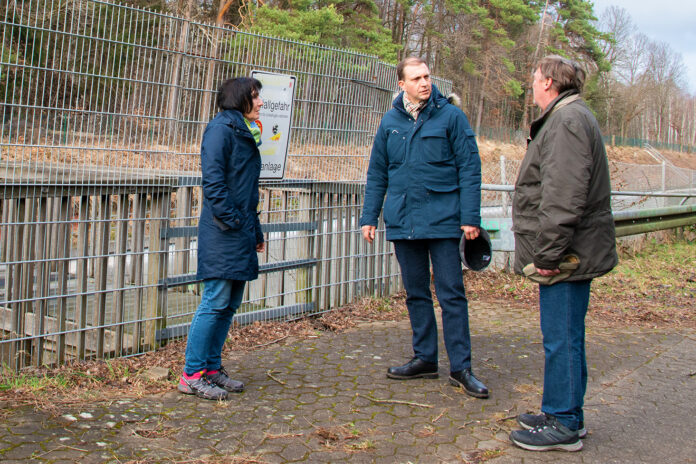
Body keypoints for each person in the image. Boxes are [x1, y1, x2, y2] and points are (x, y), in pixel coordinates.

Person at [360, 56, 489, 398]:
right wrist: (369, 217)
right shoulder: (390, 122)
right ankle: (425, 359)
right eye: (416, 78)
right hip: (404, 221)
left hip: (444, 220)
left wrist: (470, 217)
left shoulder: (451, 116)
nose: (424, 83)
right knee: (416, 294)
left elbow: (469, 168)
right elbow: (378, 173)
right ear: (401, 84)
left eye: (427, 76)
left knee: (452, 295)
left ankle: (461, 368)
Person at [509, 55, 618, 451]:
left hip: (566, 256)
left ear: (550, 83)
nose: (532, 86)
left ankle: (564, 422)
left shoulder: (567, 120)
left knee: (562, 337)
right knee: (565, 335)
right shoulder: (570, 116)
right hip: (570, 250)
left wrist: (548, 255)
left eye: (535, 79)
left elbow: (563, 197)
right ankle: (563, 410)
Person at [178, 77, 266, 400]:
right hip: (222, 232)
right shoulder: (220, 131)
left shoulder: (244, 131)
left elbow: (247, 191)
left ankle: (211, 369)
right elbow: (213, 185)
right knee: (214, 301)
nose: (260, 103)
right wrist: (237, 223)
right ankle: (192, 374)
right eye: (255, 97)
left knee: (229, 304)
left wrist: (254, 231)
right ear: (240, 99)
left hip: (239, 231)